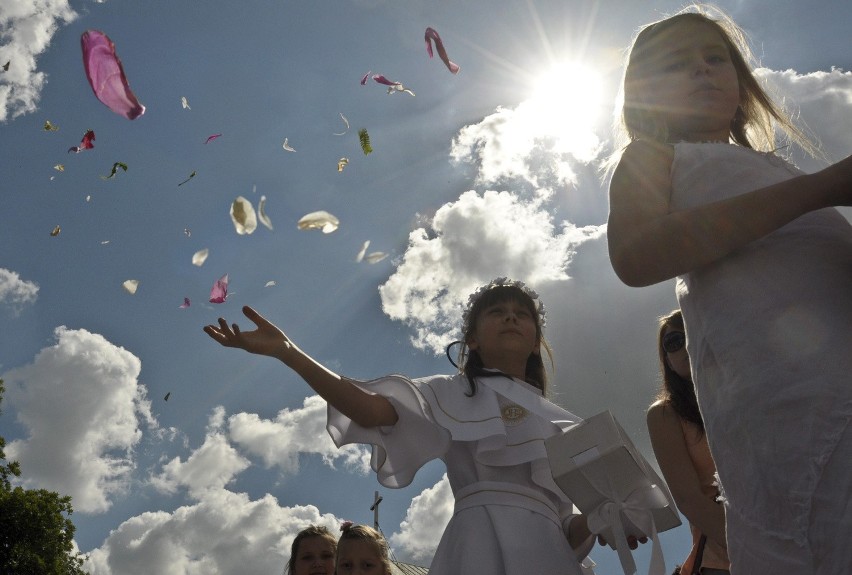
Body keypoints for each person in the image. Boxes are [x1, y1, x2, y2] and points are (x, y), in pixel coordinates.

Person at [607, 5, 852, 573]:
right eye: (676, 64)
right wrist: (823, 188)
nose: (702, 70)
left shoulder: (775, 167)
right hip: (781, 393)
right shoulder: (655, 157)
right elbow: (636, 253)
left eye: (715, 58)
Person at [204, 277, 608, 574]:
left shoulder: (560, 423)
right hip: (476, 546)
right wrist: (288, 353)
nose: (511, 318)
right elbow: (370, 411)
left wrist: (608, 516)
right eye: (497, 312)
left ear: (536, 339)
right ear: (472, 340)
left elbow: (567, 529)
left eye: (522, 315)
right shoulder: (451, 393)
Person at [647, 310, 729, 575]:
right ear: (668, 362)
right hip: (723, 557)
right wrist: (753, 546)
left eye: (691, 331)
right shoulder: (665, 414)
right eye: (673, 342)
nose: (684, 344)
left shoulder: (746, 398)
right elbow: (689, 499)